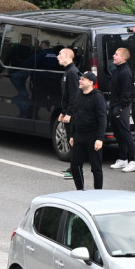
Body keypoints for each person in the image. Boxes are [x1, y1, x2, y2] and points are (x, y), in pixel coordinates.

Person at [69, 72, 107, 190]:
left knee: (96, 168)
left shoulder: (97, 97)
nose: (80, 81)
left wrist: (100, 139)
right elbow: (75, 116)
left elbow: (102, 118)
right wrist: (72, 135)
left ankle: (97, 193)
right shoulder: (78, 95)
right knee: (75, 166)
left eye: (83, 79)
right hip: (79, 135)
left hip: (93, 135)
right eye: (80, 79)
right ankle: (80, 191)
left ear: (91, 83)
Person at [109, 47, 135, 172]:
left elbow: (127, 93)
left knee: (125, 133)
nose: (113, 56)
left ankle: (133, 161)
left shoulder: (125, 72)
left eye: (116, 54)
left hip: (121, 106)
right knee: (118, 133)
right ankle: (122, 159)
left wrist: (120, 108)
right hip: (114, 105)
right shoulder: (117, 70)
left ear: (123, 58)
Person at [57, 48, 80, 179]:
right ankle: (73, 167)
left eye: (60, 54)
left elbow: (74, 95)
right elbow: (65, 96)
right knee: (71, 140)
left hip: (73, 114)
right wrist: (63, 111)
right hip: (68, 112)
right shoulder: (67, 71)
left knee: (73, 141)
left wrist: (69, 113)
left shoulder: (72, 73)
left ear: (66, 56)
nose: (57, 57)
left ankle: (77, 169)